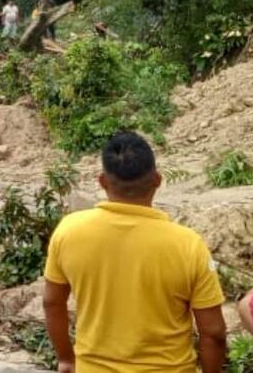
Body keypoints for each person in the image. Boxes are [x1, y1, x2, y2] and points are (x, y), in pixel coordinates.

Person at [43, 132, 226, 372]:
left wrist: (66, 359)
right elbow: (213, 333)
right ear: (157, 180)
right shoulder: (188, 245)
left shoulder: (69, 231)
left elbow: (52, 303)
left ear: (102, 181)